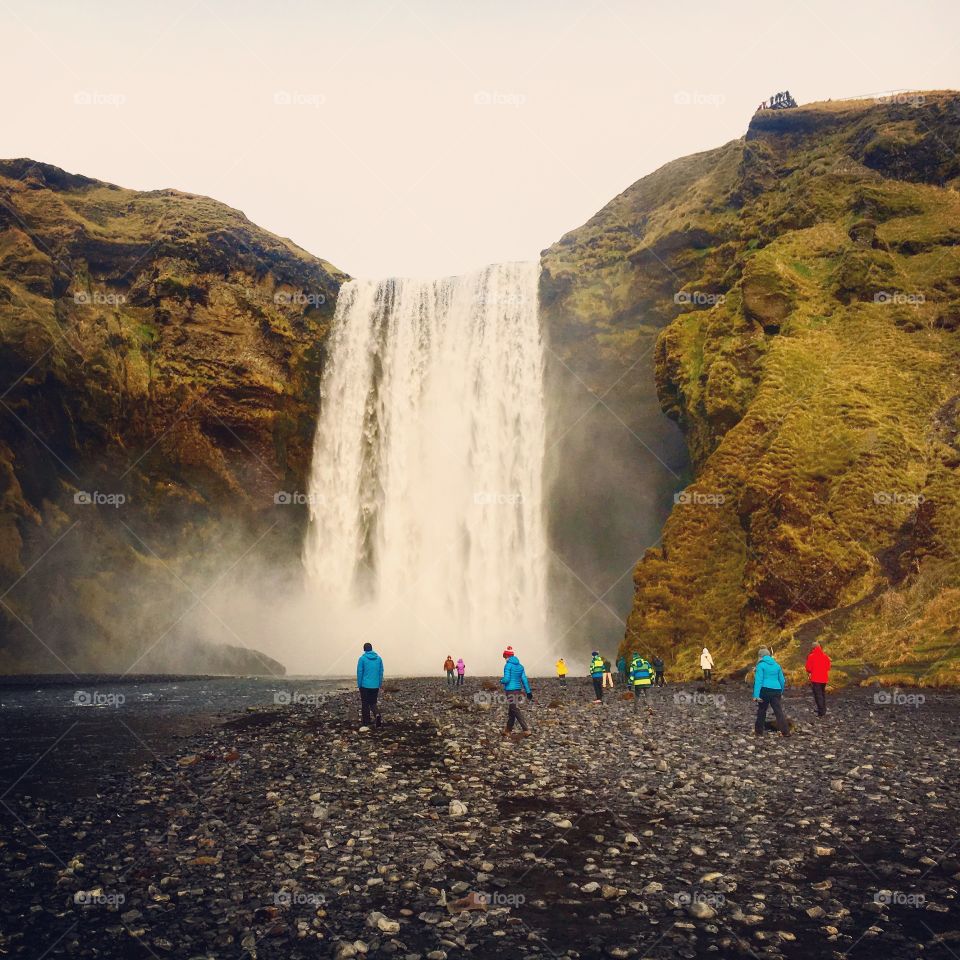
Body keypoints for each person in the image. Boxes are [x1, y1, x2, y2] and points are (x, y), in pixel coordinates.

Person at [753, 646, 790, 737]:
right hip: (776, 690)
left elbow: (758, 681)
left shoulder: (760, 665)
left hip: (765, 690)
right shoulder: (777, 665)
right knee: (778, 711)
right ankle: (786, 732)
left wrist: (756, 695)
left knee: (762, 710)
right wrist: (780, 691)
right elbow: (782, 680)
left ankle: (759, 731)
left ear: (760, 656)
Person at [500, 647, 532, 737]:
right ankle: (507, 730)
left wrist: (501, 680)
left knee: (515, 709)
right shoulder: (521, 666)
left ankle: (526, 729)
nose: (504, 658)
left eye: (504, 656)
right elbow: (524, 680)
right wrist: (528, 692)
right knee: (511, 711)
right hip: (518, 690)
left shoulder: (508, 665)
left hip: (510, 691)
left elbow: (506, 679)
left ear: (507, 656)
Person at [357, 642, 384, 728]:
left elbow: (360, 672)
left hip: (365, 685)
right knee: (373, 702)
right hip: (375, 685)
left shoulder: (362, 659)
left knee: (365, 703)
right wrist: (379, 683)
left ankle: (366, 721)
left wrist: (359, 684)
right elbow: (381, 672)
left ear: (364, 649)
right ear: (371, 649)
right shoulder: (379, 659)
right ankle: (377, 714)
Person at [805, 640, 831, 717]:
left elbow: (808, 668)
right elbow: (828, 667)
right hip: (824, 679)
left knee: (818, 695)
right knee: (822, 694)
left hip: (816, 679)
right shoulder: (825, 656)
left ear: (813, 648)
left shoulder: (811, 656)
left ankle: (821, 711)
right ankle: (823, 709)